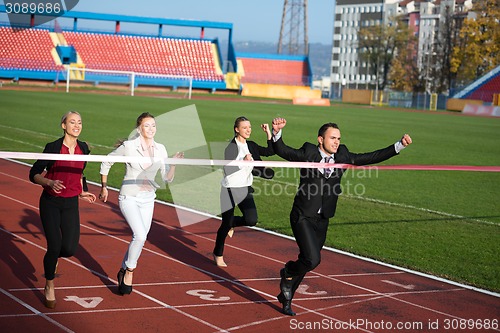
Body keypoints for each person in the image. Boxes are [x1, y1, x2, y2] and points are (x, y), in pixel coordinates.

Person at [271, 117, 412, 316]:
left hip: (323, 218)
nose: (336, 142)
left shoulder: (342, 155)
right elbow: (283, 151)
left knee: (307, 259)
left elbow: (370, 157)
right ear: (320, 139)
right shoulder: (308, 152)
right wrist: (277, 133)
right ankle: (287, 272)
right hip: (302, 215)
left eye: (338, 138)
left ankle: (286, 297)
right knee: (312, 260)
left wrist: (398, 146)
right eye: (332, 138)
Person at [99, 112, 183, 295]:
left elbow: (166, 178)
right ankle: (129, 271)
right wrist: (104, 186)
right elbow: (106, 161)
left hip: (148, 199)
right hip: (129, 197)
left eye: (153, 125)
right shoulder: (129, 146)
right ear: (139, 128)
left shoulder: (161, 148)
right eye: (147, 125)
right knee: (140, 236)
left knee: (140, 237)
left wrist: (174, 164)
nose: (151, 129)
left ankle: (122, 270)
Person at [29, 111, 96, 309]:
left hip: (70, 203)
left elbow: (80, 173)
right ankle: (49, 284)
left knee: (69, 249)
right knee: (54, 245)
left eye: (80, 122)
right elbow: (33, 173)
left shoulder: (84, 148)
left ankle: (54, 260)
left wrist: (82, 192)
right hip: (50, 201)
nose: (76, 125)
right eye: (72, 122)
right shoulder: (53, 147)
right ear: (63, 126)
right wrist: (48, 181)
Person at [213, 116, 275, 267]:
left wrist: (269, 133)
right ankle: (218, 253)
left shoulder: (251, 146)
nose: (248, 130)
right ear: (237, 129)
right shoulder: (231, 147)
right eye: (244, 127)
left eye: (250, 127)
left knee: (251, 219)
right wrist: (243, 162)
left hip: (245, 189)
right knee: (225, 225)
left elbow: (269, 151)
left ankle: (231, 223)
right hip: (229, 189)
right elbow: (227, 169)